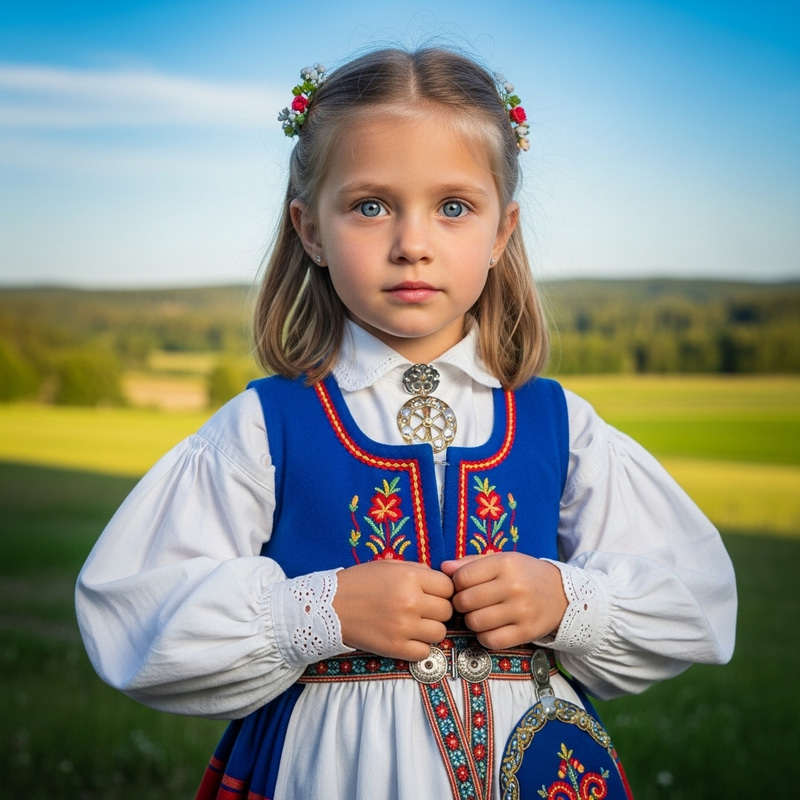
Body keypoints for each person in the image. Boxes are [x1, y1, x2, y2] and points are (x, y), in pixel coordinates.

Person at [75, 47, 737, 800]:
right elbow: (134, 615)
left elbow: (697, 599)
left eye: (453, 207)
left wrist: (565, 600)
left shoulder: (561, 423)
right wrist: (317, 612)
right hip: (329, 769)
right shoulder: (267, 425)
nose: (412, 242)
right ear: (310, 230)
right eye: (370, 205)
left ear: (501, 232)